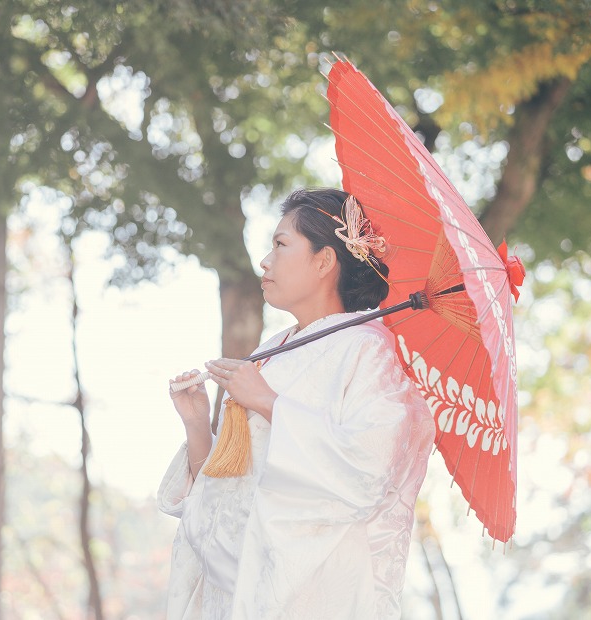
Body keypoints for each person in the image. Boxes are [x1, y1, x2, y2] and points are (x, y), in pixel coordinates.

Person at [158, 188, 435, 619]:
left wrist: (269, 402)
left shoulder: (366, 349)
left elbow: (369, 468)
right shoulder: (273, 350)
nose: (266, 261)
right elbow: (222, 491)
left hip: (304, 593)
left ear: (324, 261)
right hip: (231, 593)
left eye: (281, 245)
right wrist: (197, 424)